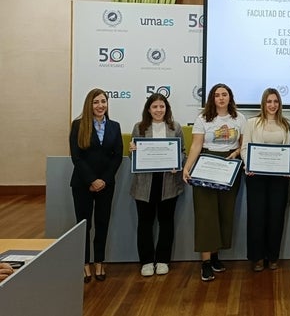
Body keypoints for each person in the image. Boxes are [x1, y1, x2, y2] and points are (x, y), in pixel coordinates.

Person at [182, 83, 246, 282]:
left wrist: (236, 153)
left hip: (230, 165)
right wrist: (187, 167)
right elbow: (196, 145)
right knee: (206, 214)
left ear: (230, 97)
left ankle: (216, 256)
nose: (221, 98)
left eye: (224, 94)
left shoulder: (240, 118)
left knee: (224, 212)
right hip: (206, 165)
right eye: (217, 95)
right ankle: (206, 263)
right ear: (212, 98)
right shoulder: (202, 118)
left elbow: (243, 144)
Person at [69, 88, 123, 283]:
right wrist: (92, 180)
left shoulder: (114, 126)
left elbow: (117, 157)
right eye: (96, 102)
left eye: (103, 101)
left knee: (102, 224)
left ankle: (99, 262)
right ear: (89, 105)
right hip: (82, 184)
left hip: (106, 185)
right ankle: (84, 265)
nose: (100, 105)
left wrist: (103, 181)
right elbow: (77, 157)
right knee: (84, 225)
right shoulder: (78, 126)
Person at [129, 93, 185, 277]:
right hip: (145, 183)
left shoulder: (175, 127)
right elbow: (133, 157)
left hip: (168, 182)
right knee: (144, 223)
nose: (159, 110)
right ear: (148, 109)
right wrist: (133, 151)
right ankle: (146, 261)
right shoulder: (139, 128)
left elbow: (182, 152)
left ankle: (162, 260)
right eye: (155, 107)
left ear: (166, 109)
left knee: (166, 222)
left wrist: (178, 162)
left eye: (162, 107)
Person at [241, 88, 290, 272]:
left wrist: (288, 167)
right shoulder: (252, 123)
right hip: (256, 178)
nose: (272, 105)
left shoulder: (286, 124)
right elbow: (245, 148)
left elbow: (289, 149)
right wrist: (249, 164)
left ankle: (273, 256)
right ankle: (257, 257)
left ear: (279, 104)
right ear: (263, 103)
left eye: (275, 102)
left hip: (279, 179)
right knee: (256, 217)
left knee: (276, 217)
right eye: (269, 101)